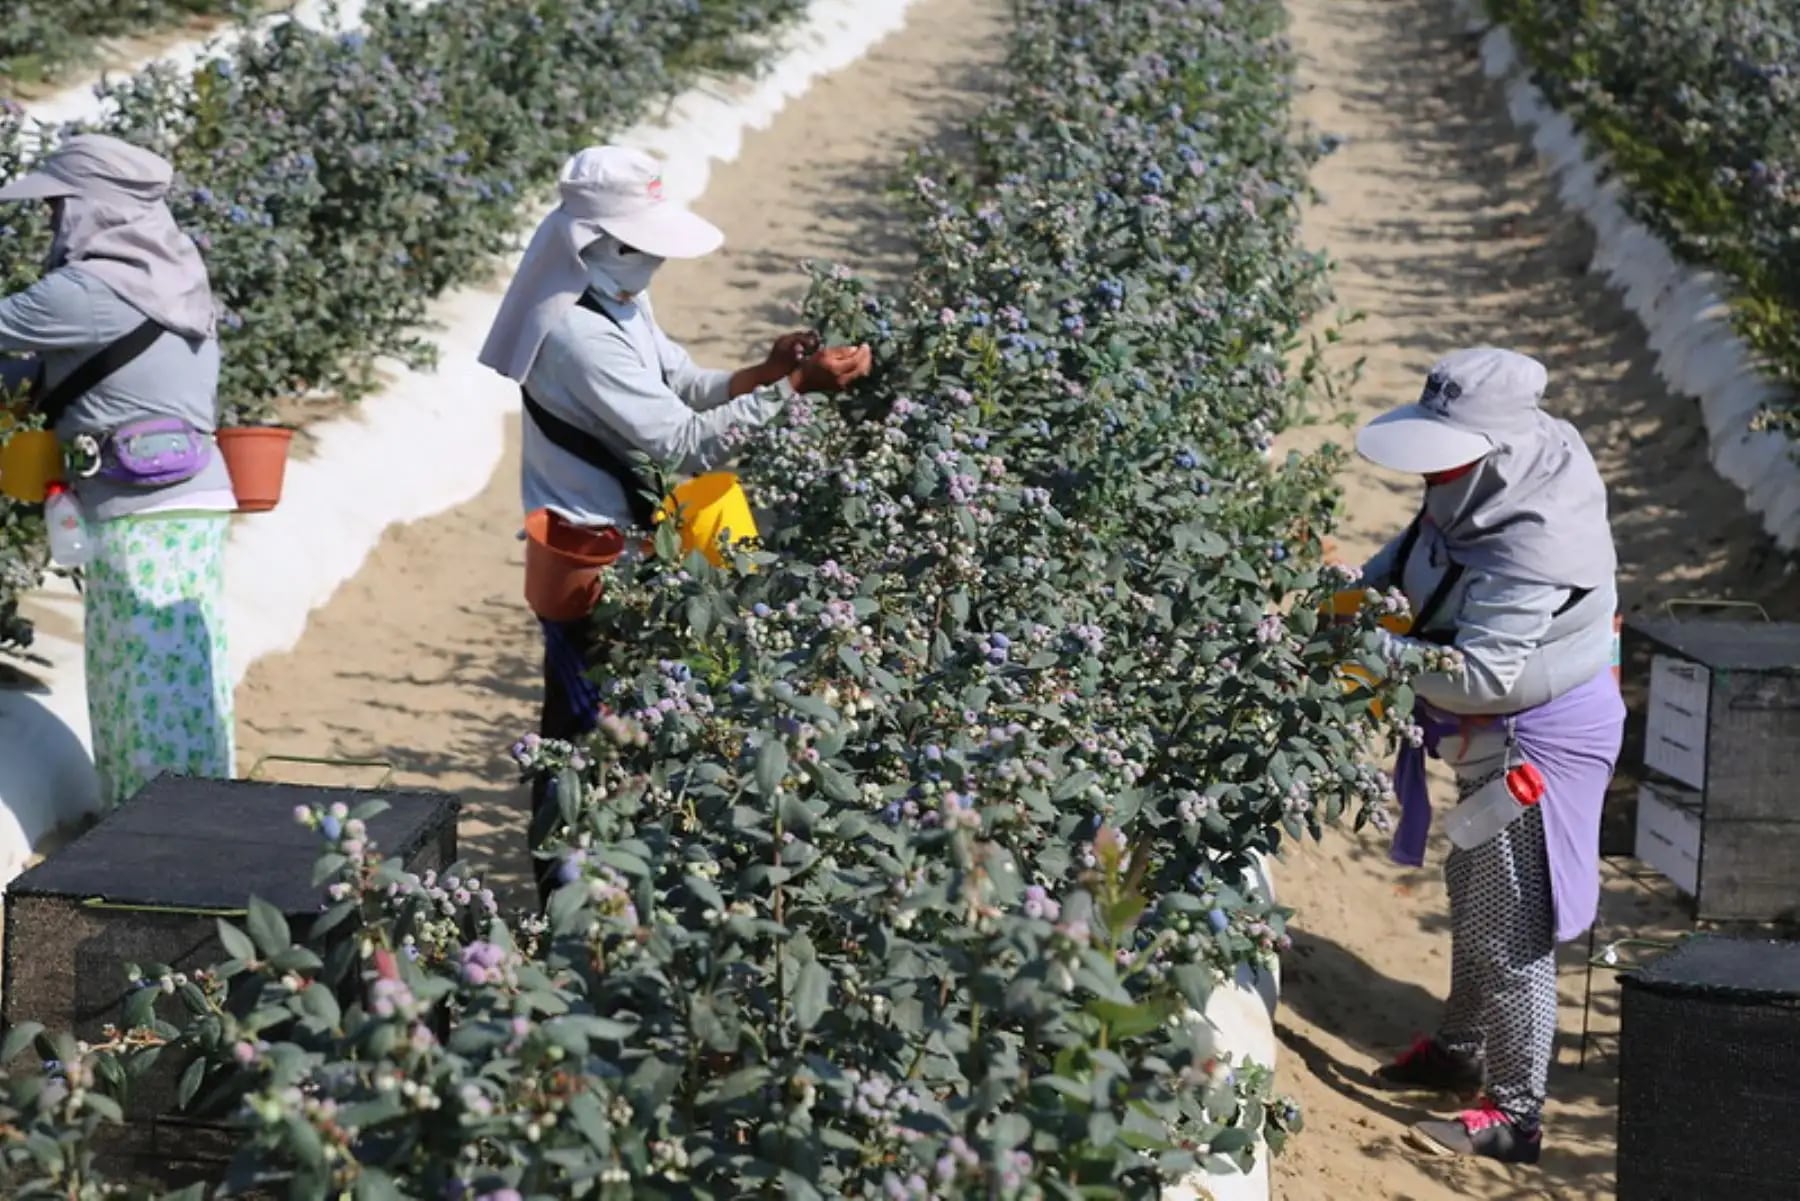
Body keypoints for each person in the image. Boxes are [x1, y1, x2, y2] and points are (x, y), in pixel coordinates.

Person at [478, 145, 871, 904]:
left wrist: (762, 372)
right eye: (646, 244)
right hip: (600, 561)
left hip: (647, 542)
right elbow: (689, 444)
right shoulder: (572, 333)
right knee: (579, 735)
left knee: (643, 719)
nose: (657, 259)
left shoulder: (614, 297)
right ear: (603, 241)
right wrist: (798, 389)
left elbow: (685, 387)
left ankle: (617, 882)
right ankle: (567, 899)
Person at [1351, 347, 1625, 1164]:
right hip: (1494, 733)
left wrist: (1376, 654)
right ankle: (1462, 1047)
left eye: (1447, 456)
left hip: (1535, 738)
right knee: (1473, 890)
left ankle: (1515, 1114)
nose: (1429, 476)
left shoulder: (1532, 539)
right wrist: (1348, 595)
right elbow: (1407, 564)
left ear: (1492, 452)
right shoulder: (1473, 490)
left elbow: (1481, 674)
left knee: (1510, 925)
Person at [0, 134, 236, 807]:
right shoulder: (169, 272)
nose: (51, 221)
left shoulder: (86, 290)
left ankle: (155, 846)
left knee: (144, 688)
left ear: (91, 207)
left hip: (143, 511)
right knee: (178, 678)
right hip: (184, 500)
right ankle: (195, 823)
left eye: (58, 206)